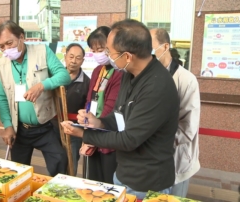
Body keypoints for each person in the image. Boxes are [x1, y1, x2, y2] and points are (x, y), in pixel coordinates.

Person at [61, 19, 180, 200]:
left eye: (110, 51)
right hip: (124, 172)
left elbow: (129, 139)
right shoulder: (128, 74)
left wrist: (83, 134)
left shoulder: (157, 86)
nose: (107, 56)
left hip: (147, 182)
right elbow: (119, 117)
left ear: (128, 56)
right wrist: (98, 122)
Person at [0, 20, 71, 176]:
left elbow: (64, 76)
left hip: (45, 126)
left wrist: (42, 85)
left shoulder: (42, 51)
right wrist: (8, 126)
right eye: (2, 47)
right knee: (18, 174)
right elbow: (1, 98)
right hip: (19, 129)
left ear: (21, 37)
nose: (7, 49)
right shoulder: (0, 66)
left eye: (10, 43)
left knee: (60, 162)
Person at [150, 28, 200, 198]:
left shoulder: (186, 79)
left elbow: (188, 127)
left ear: (165, 47)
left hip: (177, 159)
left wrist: (158, 141)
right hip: (149, 159)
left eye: (149, 47)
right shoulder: (145, 77)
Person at [80, 26, 123, 184]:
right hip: (93, 131)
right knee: (93, 181)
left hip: (108, 136)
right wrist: (86, 123)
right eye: (94, 49)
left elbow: (110, 107)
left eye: (102, 49)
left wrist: (93, 134)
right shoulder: (98, 70)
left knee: (108, 182)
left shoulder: (120, 72)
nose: (98, 53)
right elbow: (90, 99)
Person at [59, 43, 90, 176]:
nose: (73, 61)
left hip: (73, 131)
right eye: (71, 56)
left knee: (71, 165)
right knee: (55, 162)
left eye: (78, 58)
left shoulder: (87, 83)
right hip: (54, 129)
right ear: (65, 57)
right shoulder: (56, 77)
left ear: (83, 60)